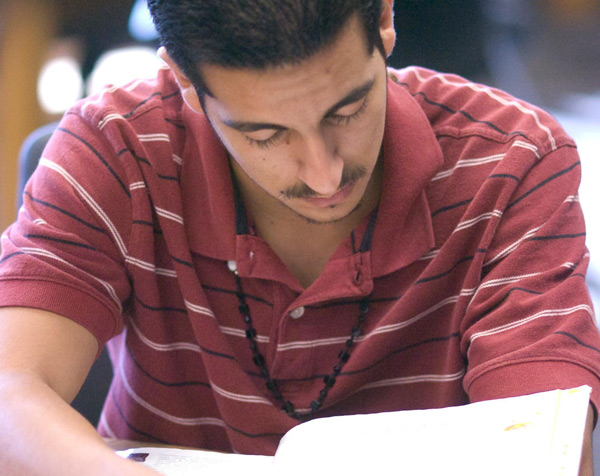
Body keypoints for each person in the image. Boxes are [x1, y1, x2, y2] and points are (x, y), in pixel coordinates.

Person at [0, 1, 599, 474]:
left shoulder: (514, 163)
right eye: (265, 134)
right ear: (184, 79)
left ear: (385, 20)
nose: (324, 173)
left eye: (348, 110)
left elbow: (545, 440)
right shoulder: (118, 146)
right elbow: (9, 389)